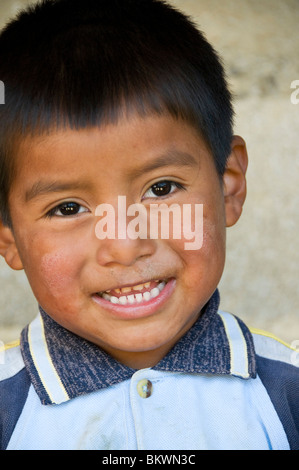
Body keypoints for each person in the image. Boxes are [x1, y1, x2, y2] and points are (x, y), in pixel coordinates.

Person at [0, 0, 298, 451]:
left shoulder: (287, 394)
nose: (124, 244)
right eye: (67, 208)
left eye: (161, 189)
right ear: (8, 237)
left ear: (229, 187)